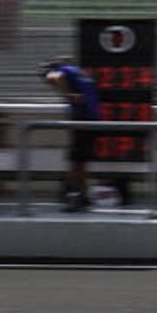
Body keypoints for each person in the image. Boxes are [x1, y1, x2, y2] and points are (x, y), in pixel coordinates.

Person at [40, 57, 101, 212]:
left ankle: (73, 196)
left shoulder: (62, 71)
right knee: (81, 161)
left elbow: (55, 77)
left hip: (81, 117)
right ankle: (83, 196)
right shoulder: (78, 72)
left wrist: (68, 95)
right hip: (94, 118)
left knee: (74, 161)